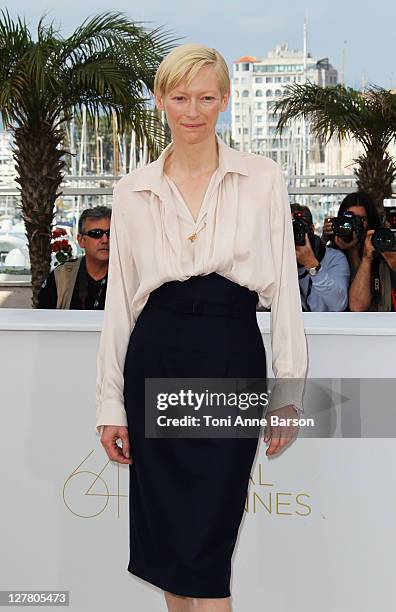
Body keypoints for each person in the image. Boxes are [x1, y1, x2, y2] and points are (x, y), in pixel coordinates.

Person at [95, 44, 308, 612]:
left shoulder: (263, 179)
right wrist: (110, 406)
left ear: (225, 101)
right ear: (161, 99)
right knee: (172, 538)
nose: (194, 111)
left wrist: (287, 394)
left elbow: (286, 290)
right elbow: (120, 303)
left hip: (229, 353)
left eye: (207, 97)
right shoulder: (132, 189)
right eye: (182, 97)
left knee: (208, 543)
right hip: (156, 352)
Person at [321, 192, 395, 311]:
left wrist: (357, 253)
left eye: (361, 219)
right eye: (349, 218)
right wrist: (323, 240)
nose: (355, 223)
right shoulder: (331, 254)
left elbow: (359, 306)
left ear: (370, 221)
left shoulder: (378, 249)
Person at [38, 206, 111, 309]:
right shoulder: (61, 275)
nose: (105, 240)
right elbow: (43, 318)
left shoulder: (128, 276)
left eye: (110, 233)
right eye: (96, 233)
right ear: (81, 240)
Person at [291, 204, 350, 311]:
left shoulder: (334, 258)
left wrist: (312, 265)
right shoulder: (277, 262)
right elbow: (262, 304)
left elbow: (339, 304)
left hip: (325, 326)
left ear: (311, 229)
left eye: (299, 227)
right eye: (289, 229)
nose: (293, 234)